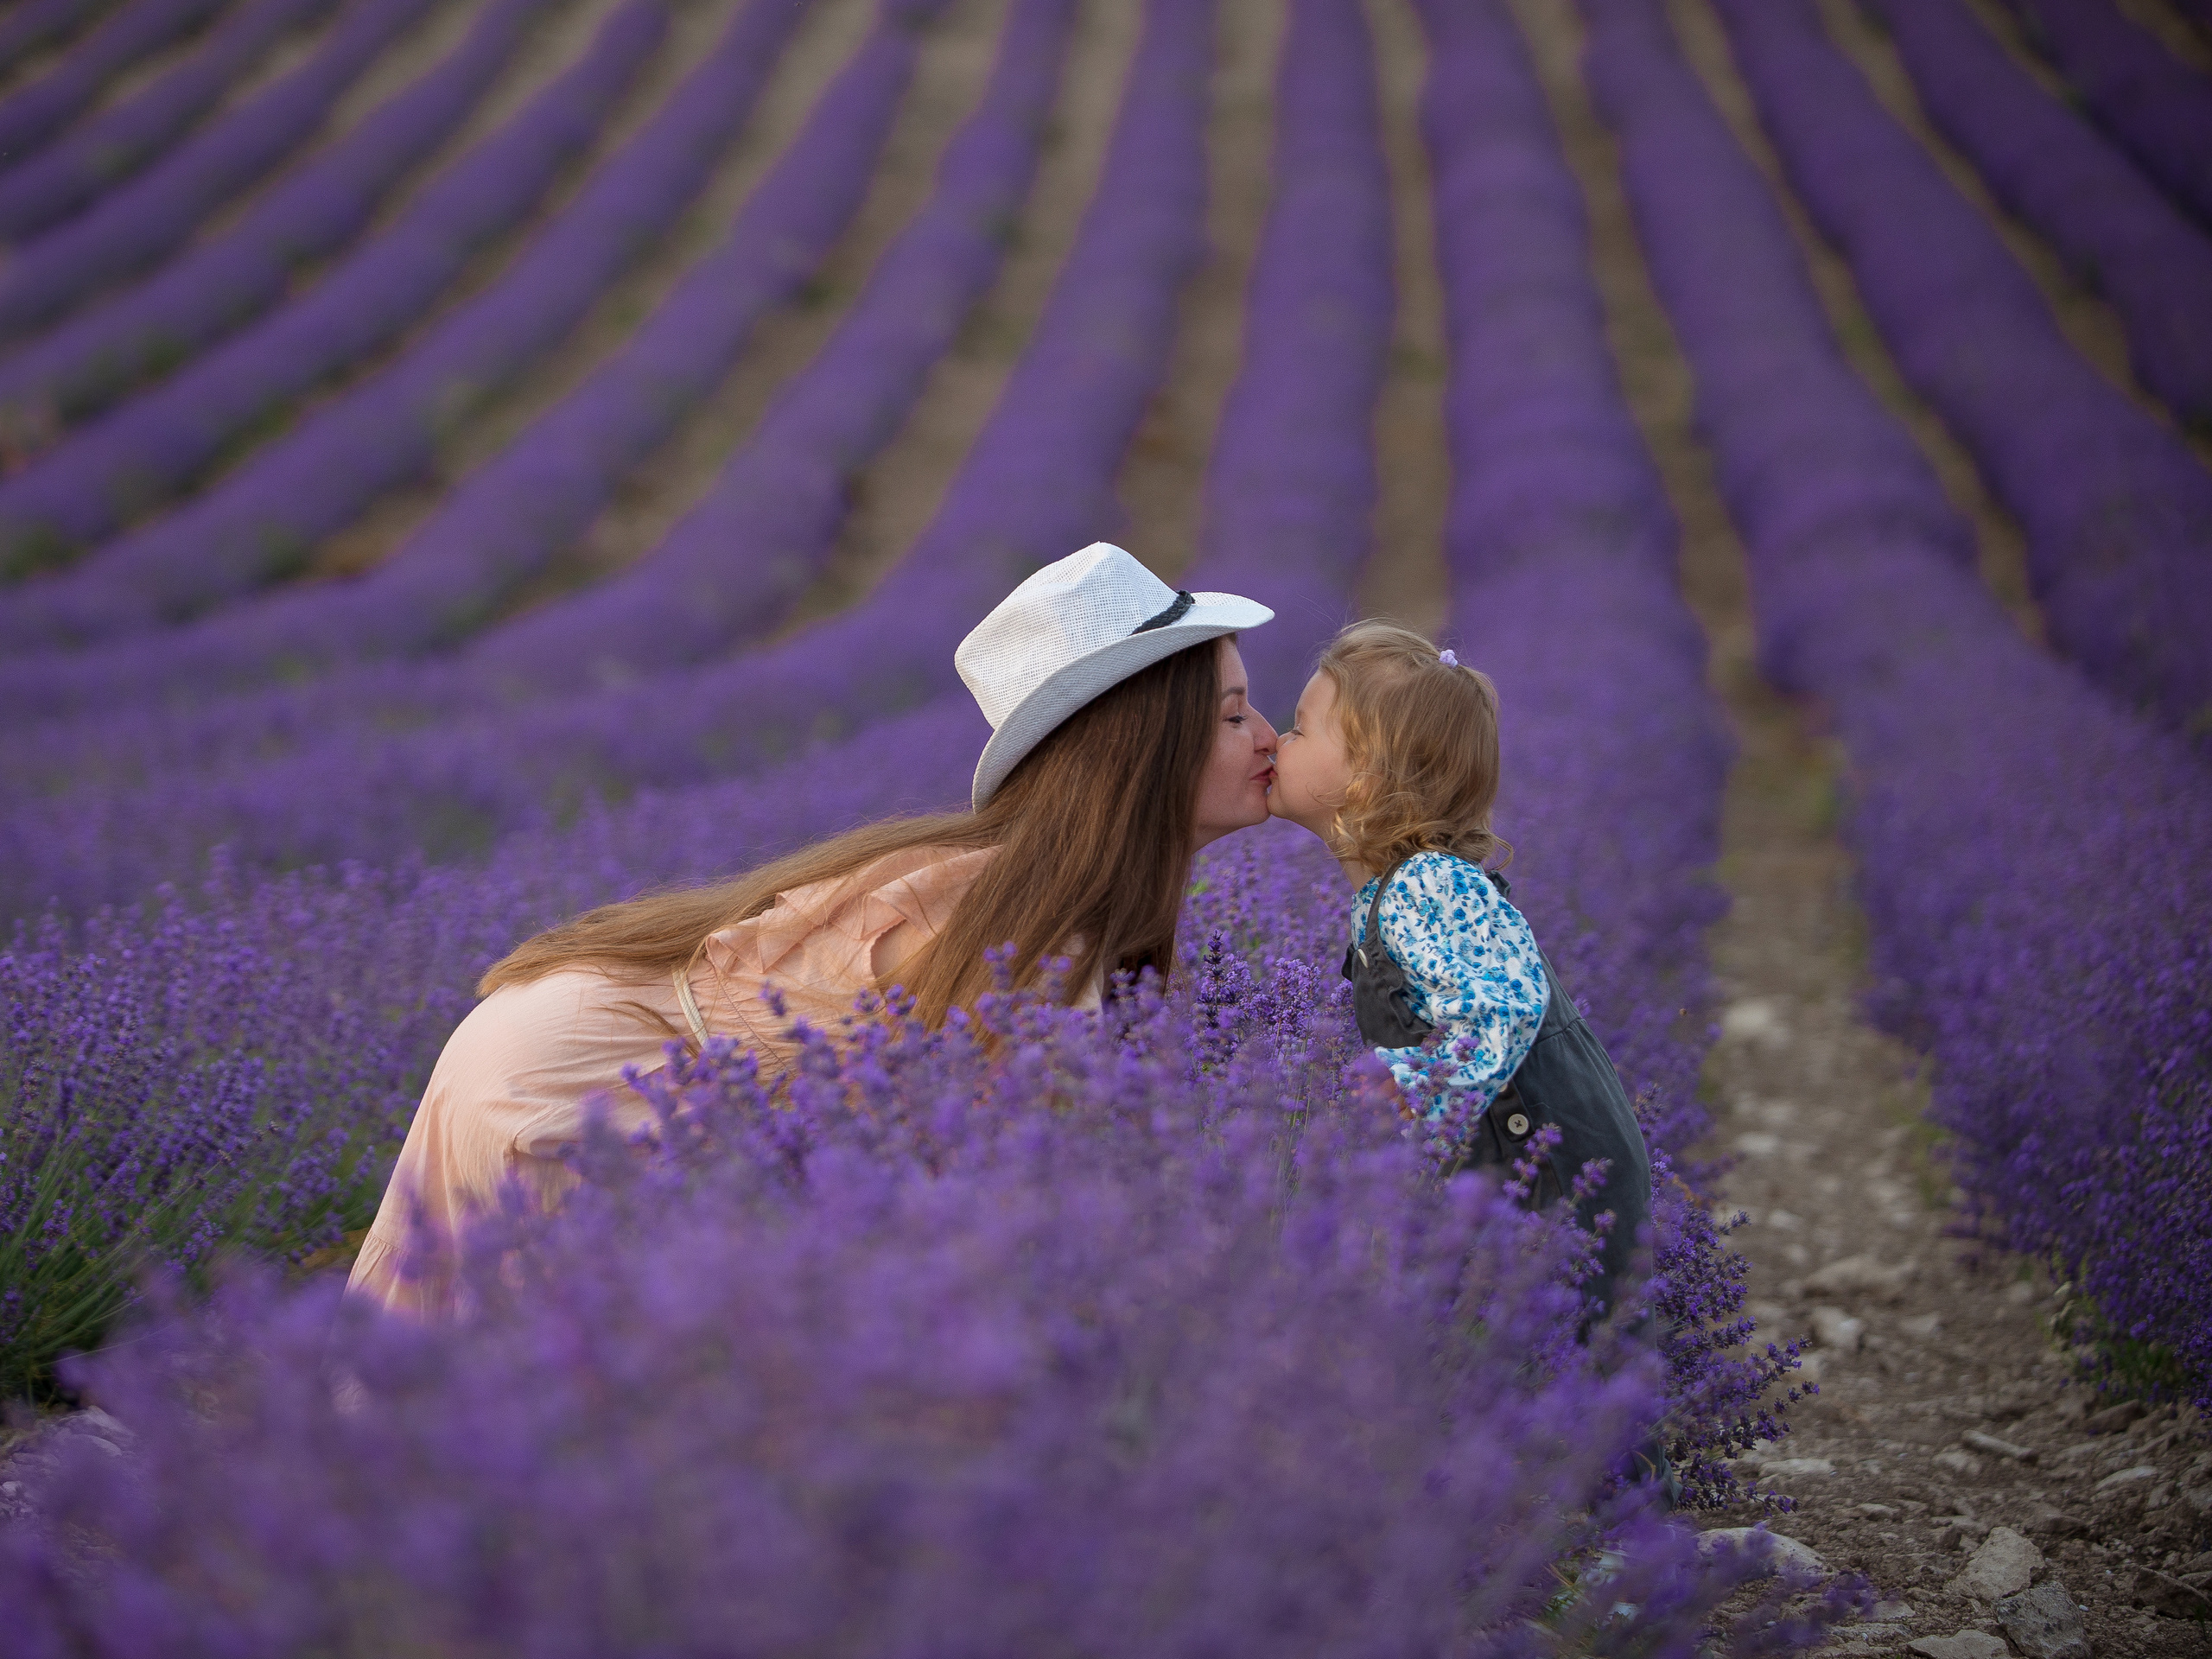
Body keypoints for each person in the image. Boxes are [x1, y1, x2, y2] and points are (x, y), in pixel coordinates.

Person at [347, 543, 1277, 1319]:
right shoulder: (1038, 936)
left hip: (584, 1045)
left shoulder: (1050, 895)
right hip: (578, 1083)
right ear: (1144, 749)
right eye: (1235, 715)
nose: (1270, 737)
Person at [1267, 620, 1654, 1323]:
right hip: (1506, 1175)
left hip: (1555, 1175)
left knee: (1577, 1351)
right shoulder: (1393, 892)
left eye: (1300, 729)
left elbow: (1500, 1009)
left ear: (1365, 777)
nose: (1278, 741)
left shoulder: (1429, 885)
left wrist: (1410, 1082)